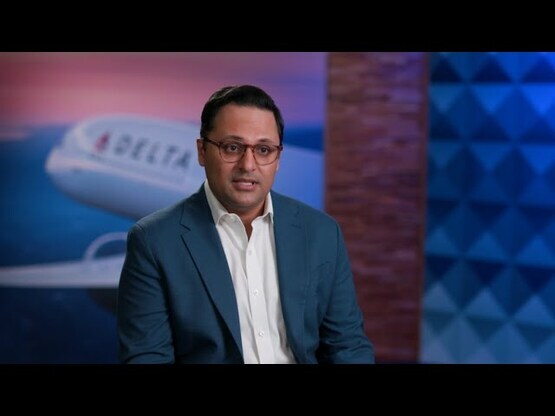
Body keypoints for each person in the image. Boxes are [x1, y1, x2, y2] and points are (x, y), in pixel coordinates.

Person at [117, 84, 374, 364]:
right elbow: (147, 357)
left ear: (278, 158)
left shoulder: (321, 232)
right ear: (202, 151)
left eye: (263, 149)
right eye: (232, 147)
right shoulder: (154, 241)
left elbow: (347, 346)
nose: (248, 165)